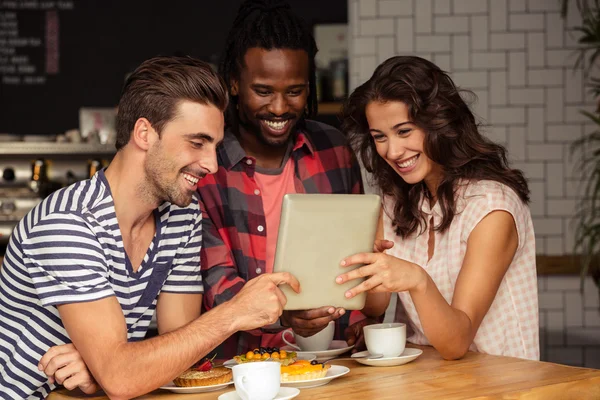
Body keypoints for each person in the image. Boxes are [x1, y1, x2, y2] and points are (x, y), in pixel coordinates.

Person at [0, 55, 299, 399]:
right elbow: (124, 378)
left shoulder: (182, 216)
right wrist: (234, 313)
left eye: (215, 146)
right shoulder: (68, 224)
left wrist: (107, 367)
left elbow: (183, 351)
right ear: (144, 133)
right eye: (197, 143)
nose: (212, 165)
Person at [197, 0, 375, 358]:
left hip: (332, 357)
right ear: (233, 83)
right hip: (242, 364)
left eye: (294, 91)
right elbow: (213, 282)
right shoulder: (206, 166)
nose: (279, 108)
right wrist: (285, 316)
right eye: (263, 91)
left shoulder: (333, 149)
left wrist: (357, 316)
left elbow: (354, 252)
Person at [336, 56, 539, 360]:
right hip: (428, 381)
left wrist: (417, 279)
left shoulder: (492, 208)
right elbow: (375, 304)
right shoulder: (396, 201)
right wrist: (362, 263)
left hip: (503, 385)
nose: (392, 151)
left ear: (439, 123)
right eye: (379, 137)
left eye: (404, 131)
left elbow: (456, 342)